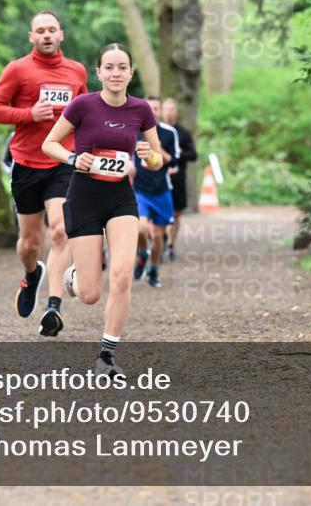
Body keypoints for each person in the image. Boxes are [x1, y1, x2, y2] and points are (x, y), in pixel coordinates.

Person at [42, 43, 164, 377]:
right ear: (99, 72)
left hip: (121, 199)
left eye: (122, 67)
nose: (115, 73)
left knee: (122, 276)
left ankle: (106, 356)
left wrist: (149, 156)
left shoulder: (141, 109)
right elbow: (49, 143)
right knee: (90, 294)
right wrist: (73, 158)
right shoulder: (82, 105)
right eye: (109, 67)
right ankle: (73, 277)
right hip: (84, 196)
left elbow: (158, 159)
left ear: (131, 72)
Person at [0, 11, 87, 337]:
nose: (46, 35)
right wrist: (29, 114)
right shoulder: (17, 70)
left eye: (51, 30)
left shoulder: (76, 71)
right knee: (30, 243)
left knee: (60, 231)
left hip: (62, 161)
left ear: (61, 34)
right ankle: (31, 275)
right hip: (27, 163)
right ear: (31, 36)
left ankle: (53, 307)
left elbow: (84, 114)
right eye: (40, 30)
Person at [132, 96, 179, 288]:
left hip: (161, 190)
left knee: (158, 236)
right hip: (140, 190)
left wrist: (157, 149)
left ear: (160, 111)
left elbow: (175, 162)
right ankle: (143, 252)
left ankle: (154, 269)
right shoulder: (134, 130)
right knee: (140, 229)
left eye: (156, 108)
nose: (152, 111)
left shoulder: (169, 133)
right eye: (149, 107)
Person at [161, 97, 197, 262]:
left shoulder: (183, 133)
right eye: (166, 109)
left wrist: (179, 153)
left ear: (176, 112)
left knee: (176, 213)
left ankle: (171, 244)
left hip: (177, 178)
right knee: (160, 212)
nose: (169, 112)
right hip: (160, 178)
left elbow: (193, 155)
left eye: (171, 109)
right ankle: (161, 240)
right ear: (162, 112)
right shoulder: (156, 132)